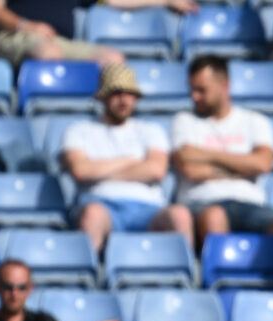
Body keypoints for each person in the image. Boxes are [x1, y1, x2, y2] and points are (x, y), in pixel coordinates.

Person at [61, 63, 194, 253]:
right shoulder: (78, 130)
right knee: (92, 215)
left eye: (129, 93)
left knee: (180, 215)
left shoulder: (151, 130)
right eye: (116, 93)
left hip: (149, 208)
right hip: (101, 204)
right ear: (103, 96)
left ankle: (183, 274)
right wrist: (130, 161)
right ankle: (83, 276)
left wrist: (98, 171)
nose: (123, 100)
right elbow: (80, 171)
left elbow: (156, 171)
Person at [171, 55, 273, 250]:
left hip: (249, 204)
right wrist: (243, 167)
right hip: (202, 202)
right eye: (192, 90)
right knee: (214, 216)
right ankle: (221, 275)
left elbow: (263, 164)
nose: (194, 96)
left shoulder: (254, 121)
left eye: (201, 90)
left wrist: (208, 155)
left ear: (224, 85)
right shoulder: (184, 120)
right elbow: (190, 167)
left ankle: (266, 279)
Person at [0, 0, 124, 67]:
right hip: (11, 36)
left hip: (59, 42)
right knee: (48, 52)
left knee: (113, 59)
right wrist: (25, 26)